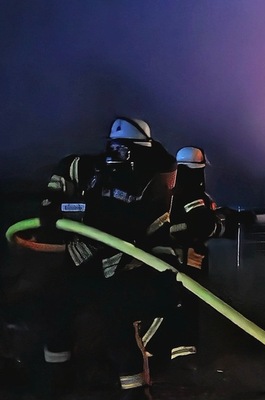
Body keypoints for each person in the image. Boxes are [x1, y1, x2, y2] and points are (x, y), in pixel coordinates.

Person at [39, 117, 179, 400]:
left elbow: (155, 231)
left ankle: (136, 392)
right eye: (115, 148)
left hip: (123, 266)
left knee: (118, 324)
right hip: (80, 259)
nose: (118, 156)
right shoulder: (87, 167)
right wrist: (56, 207)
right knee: (55, 310)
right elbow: (57, 192)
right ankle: (58, 380)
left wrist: (167, 270)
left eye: (125, 150)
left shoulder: (151, 181)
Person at [143, 146, 253, 374]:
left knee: (180, 306)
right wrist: (226, 225)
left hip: (166, 259)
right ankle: (157, 353)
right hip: (186, 260)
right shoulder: (192, 190)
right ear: (199, 169)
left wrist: (222, 214)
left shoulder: (167, 188)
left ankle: (178, 357)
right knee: (180, 306)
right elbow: (201, 225)